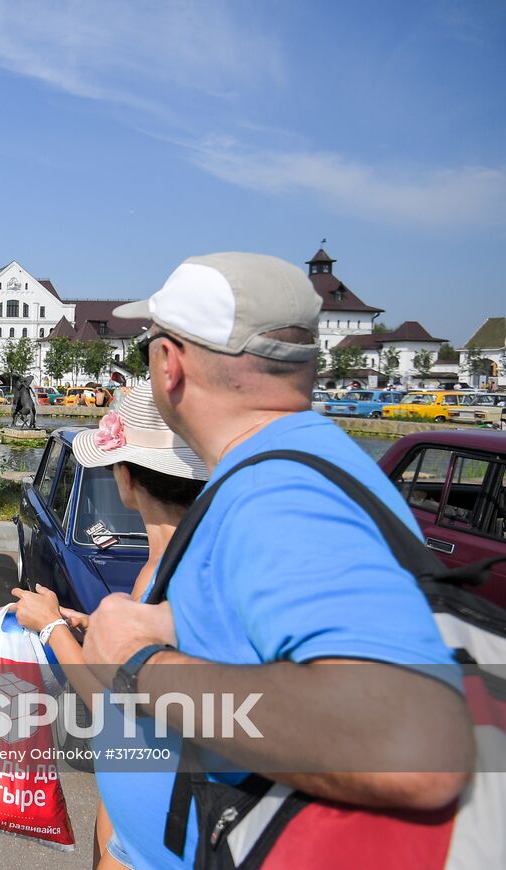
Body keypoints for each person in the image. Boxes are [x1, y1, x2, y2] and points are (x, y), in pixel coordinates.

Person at [75, 253, 471, 868]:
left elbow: (412, 747)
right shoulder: (295, 462)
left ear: (168, 364)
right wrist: (178, 632)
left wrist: (139, 665)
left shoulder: (279, 494)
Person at [10, 382, 208, 869]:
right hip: (135, 816)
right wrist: (91, 623)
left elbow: (120, 707)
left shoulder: (184, 575)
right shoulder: (181, 560)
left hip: (162, 844)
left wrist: (51, 629)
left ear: (124, 478)